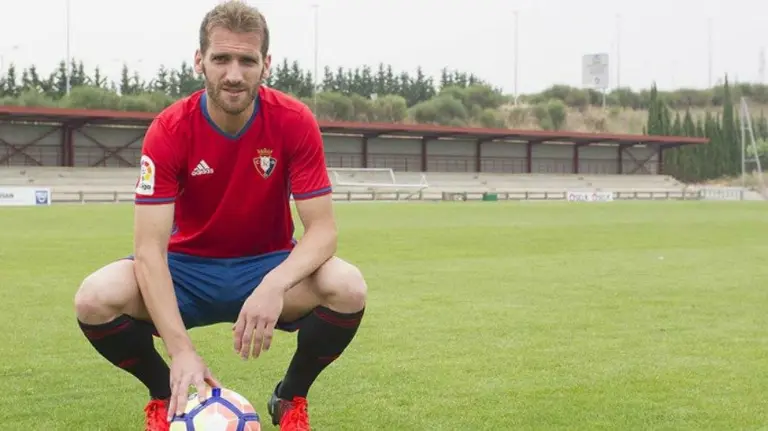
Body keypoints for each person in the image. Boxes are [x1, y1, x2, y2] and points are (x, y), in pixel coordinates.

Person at [72, 2, 368, 430]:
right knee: (93, 298)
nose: (234, 73)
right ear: (200, 61)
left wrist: (275, 283)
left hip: (267, 264)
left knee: (349, 287)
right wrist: (181, 351)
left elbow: (322, 231)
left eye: (247, 60)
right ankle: (165, 397)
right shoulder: (170, 129)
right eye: (221, 58)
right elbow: (149, 252)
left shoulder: (294, 121)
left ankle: (290, 397)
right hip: (185, 271)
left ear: (266, 64)